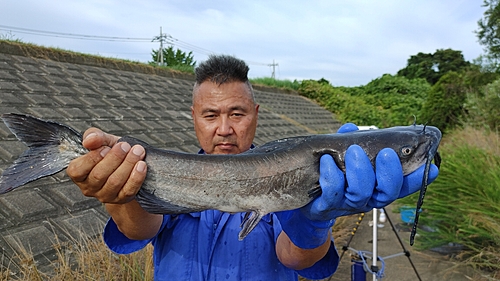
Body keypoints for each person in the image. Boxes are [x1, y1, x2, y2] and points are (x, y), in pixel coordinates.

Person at [67, 54, 439, 280]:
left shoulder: (294, 171)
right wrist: (118, 194)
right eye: (211, 115)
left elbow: (295, 257)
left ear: (255, 115)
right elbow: (138, 229)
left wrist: (313, 222)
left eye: (237, 113)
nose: (224, 128)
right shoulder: (171, 173)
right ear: (194, 117)